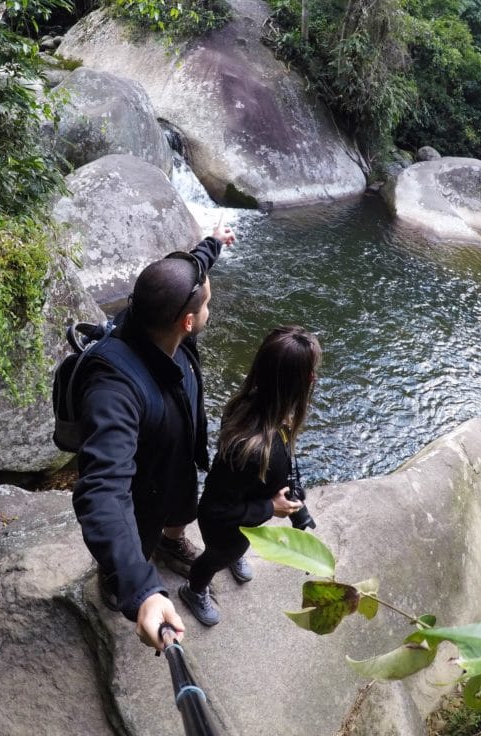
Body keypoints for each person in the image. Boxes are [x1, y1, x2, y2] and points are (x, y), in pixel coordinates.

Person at [72, 223, 236, 651]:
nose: (208, 310)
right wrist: (140, 589)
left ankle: (171, 542)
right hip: (140, 480)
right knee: (139, 527)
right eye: (207, 306)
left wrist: (214, 243)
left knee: (183, 500)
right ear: (188, 320)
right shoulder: (112, 387)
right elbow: (102, 490)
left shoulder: (155, 314)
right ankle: (118, 577)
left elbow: (191, 269)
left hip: (175, 451)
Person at [179, 326, 321, 626]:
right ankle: (193, 590)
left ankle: (233, 555)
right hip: (225, 525)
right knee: (215, 558)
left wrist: (296, 504)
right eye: (311, 374)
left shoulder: (260, 406)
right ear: (297, 383)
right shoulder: (253, 447)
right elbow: (217, 509)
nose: (314, 378)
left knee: (235, 548)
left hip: (243, 517)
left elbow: (276, 474)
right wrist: (272, 508)